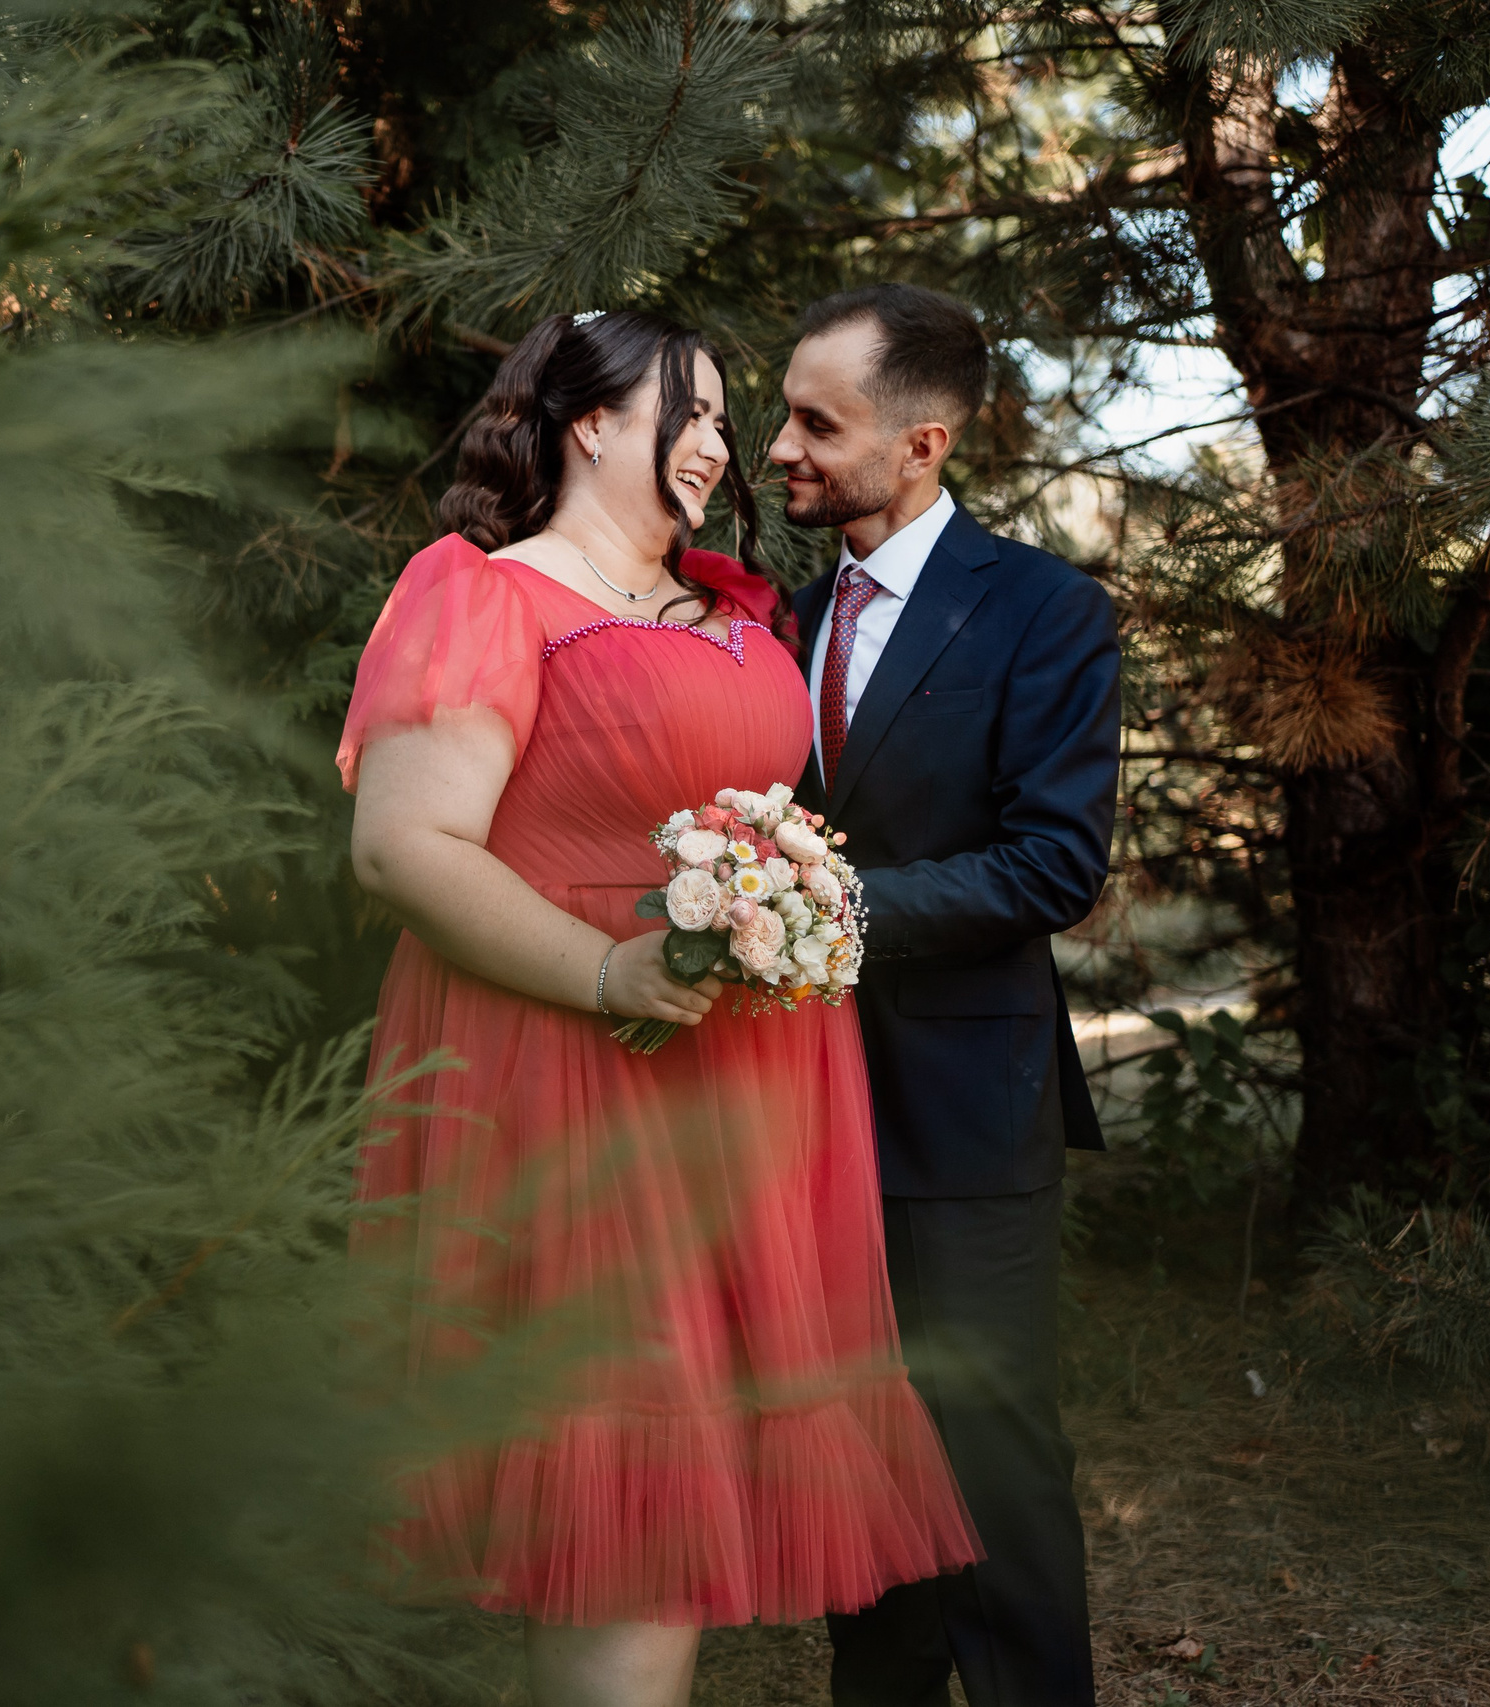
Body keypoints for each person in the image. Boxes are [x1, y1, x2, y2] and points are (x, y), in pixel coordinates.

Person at [339, 308, 979, 1707]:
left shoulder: (739, 606)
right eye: (690, 410)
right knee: (617, 1471)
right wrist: (607, 972)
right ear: (589, 424)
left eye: (724, 419)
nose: (719, 444)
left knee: (684, 1478)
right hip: (569, 1064)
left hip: (746, 1088)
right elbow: (402, 843)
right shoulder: (484, 593)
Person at [770, 283, 1120, 1707]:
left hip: (969, 1111)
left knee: (989, 1454)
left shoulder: (1044, 609)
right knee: (853, 1457)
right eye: (781, 411)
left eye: (815, 422)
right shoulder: (778, 619)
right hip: (795, 1108)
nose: (777, 446)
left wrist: (826, 915)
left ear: (922, 442)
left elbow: (1053, 864)